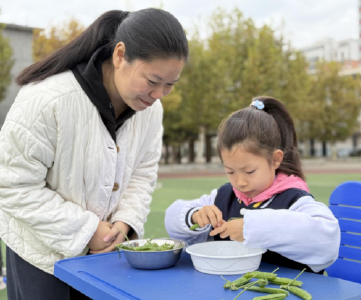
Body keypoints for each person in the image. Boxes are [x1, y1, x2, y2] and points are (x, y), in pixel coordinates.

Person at [0, 8, 188, 300]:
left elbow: (142, 172)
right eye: (152, 81)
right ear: (120, 54)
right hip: (41, 259)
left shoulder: (151, 111)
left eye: (170, 85)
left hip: (105, 257)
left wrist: (125, 222)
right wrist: (87, 230)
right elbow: (11, 185)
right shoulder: (48, 99)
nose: (159, 95)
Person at [165, 96, 340, 274]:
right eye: (230, 172)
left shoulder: (294, 200)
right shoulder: (223, 197)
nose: (240, 182)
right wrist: (194, 216)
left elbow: (327, 239)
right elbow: (172, 218)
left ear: (275, 160)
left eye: (249, 171)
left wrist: (252, 228)